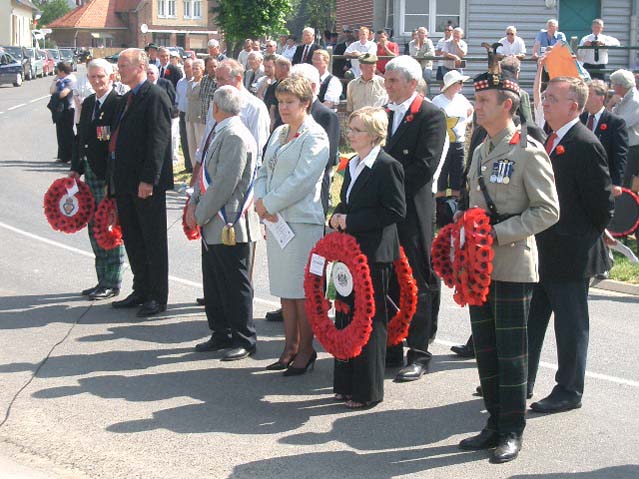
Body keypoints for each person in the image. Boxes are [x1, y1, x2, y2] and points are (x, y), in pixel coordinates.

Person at [457, 66, 560, 464]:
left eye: (484, 101)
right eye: (477, 99)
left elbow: (548, 210)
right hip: (479, 268)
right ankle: (493, 424)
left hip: (513, 265)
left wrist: (498, 235)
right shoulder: (481, 147)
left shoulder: (526, 150)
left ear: (508, 105)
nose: (476, 106)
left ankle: (513, 430)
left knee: (511, 353)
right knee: (485, 349)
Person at [527, 77, 614, 415]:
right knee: (531, 320)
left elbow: (601, 204)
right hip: (542, 250)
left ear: (573, 107)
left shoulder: (584, 142)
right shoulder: (548, 138)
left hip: (571, 252)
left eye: (552, 98)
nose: (545, 103)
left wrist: (581, 236)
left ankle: (568, 389)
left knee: (570, 325)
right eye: (545, 97)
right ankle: (522, 380)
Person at [329, 107, 406, 408]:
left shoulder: (387, 165)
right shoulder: (352, 164)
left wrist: (353, 221)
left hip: (374, 253)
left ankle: (367, 391)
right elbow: (345, 201)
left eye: (357, 129)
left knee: (370, 320)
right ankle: (345, 383)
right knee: (346, 313)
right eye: (350, 128)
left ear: (374, 134)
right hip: (349, 251)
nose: (350, 134)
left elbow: (395, 211)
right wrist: (338, 215)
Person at [255, 76, 329, 375]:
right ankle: (289, 346)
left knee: (303, 291)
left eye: (290, 102)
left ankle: (307, 349)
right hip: (276, 221)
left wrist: (269, 204)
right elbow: (263, 170)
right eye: (280, 101)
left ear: (305, 103)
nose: (283, 107)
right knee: (285, 289)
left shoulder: (316, 136)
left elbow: (303, 180)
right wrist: (261, 202)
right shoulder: (279, 132)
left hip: (300, 221)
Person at [383, 55, 447, 381]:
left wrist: (383, 184)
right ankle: (391, 346)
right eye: (386, 78)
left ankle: (419, 352)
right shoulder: (385, 112)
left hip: (412, 209)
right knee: (387, 278)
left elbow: (425, 166)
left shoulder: (430, 114)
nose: (387, 84)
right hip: (384, 210)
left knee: (416, 280)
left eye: (393, 80)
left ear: (411, 83)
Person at [187, 86, 259, 361]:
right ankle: (221, 332)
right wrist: (194, 203)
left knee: (234, 283)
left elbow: (225, 184)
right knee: (215, 280)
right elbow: (207, 174)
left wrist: (200, 213)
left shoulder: (235, 135)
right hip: (213, 219)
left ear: (216, 107)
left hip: (229, 221)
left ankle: (243, 337)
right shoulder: (223, 130)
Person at [110, 49, 173, 317]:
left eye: (124, 65)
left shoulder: (155, 95)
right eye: (119, 65)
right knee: (134, 238)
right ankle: (141, 289)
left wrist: (149, 179)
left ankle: (157, 296)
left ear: (140, 67)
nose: (120, 69)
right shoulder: (127, 97)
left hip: (145, 184)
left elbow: (158, 142)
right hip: (125, 182)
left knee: (152, 240)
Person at [69, 58, 125, 300]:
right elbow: (82, 139)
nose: (97, 81)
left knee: (108, 227)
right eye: (92, 77)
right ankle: (101, 278)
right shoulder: (90, 102)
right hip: (90, 172)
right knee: (94, 227)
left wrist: (112, 179)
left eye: (101, 76)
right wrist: (75, 168)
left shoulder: (118, 104)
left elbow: (118, 145)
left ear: (111, 76)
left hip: (107, 176)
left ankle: (112, 281)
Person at [432, 70, 473, 203]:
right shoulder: (437, 101)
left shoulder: (462, 99)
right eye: (459, 83)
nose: (461, 85)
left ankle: (456, 205)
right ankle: (440, 207)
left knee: (458, 174)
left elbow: (471, 111)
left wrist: (467, 122)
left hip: (459, 143)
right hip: (442, 144)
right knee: (442, 174)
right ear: (451, 84)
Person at [580, 79, 628, 194]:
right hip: (581, 178)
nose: (585, 97)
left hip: (603, 180)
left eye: (589, 94)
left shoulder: (615, 122)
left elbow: (619, 154)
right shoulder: (580, 119)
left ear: (601, 97)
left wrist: (616, 183)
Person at [610, 70, 639, 190]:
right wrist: (611, 105)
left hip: (632, 147)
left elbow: (622, 123)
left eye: (614, 85)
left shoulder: (635, 101)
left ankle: (626, 207)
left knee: (625, 182)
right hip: (624, 145)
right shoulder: (623, 99)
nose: (612, 88)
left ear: (620, 86)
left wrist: (611, 105)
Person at [146, 64, 179, 164]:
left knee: (172, 136)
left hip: (169, 115)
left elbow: (173, 98)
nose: (149, 75)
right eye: (147, 73)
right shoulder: (145, 86)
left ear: (157, 74)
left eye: (151, 73)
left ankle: (173, 158)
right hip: (152, 116)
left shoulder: (165, 83)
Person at [50, 62, 77, 163]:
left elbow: (63, 94)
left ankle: (71, 156)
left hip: (69, 109)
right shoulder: (60, 80)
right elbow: (52, 91)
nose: (57, 71)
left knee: (68, 133)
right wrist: (55, 79)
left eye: (58, 70)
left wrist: (55, 95)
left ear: (61, 71)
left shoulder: (71, 80)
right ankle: (62, 156)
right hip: (60, 109)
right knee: (60, 132)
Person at [185, 59, 206, 172]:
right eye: (193, 68)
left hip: (199, 118)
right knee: (191, 146)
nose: (194, 71)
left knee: (199, 145)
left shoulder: (204, 83)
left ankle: (201, 171)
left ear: (202, 69)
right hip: (189, 117)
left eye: (197, 68)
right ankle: (194, 171)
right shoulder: (189, 83)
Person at [176, 58, 193, 172]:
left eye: (189, 67)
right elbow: (177, 97)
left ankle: (194, 165)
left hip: (192, 115)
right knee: (184, 139)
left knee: (192, 139)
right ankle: (188, 166)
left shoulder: (197, 82)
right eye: (185, 67)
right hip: (182, 113)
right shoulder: (180, 82)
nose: (186, 69)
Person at [264, 55, 291, 130]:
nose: (273, 71)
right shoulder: (274, 86)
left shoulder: (290, 87)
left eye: (276, 68)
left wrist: (272, 121)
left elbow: (273, 107)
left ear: (284, 69)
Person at [408, 27, 434, 96]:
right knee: (414, 81)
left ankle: (427, 97)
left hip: (426, 65)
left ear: (426, 35)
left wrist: (421, 57)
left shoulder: (429, 42)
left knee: (426, 78)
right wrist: (418, 44)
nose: (420, 34)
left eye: (422, 33)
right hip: (416, 65)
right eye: (419, 32)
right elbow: (413, 54)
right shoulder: (412, 43)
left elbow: (431, 53)